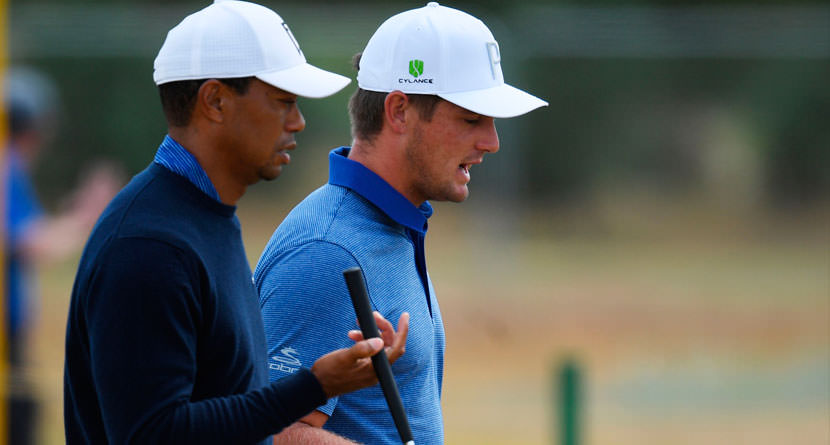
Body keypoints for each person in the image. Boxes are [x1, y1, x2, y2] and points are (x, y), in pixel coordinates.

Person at [63, 1, 408, 444]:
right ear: (215, 101)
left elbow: (223, 398)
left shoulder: (202, 218)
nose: (298, 122)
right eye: (283, 101)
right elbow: (154, 433)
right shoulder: (149, 245)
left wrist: (325, 380)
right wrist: (314, 387)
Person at [253, 2, 548, 443]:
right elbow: (270, 431)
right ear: (399, 111)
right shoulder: (328, 250)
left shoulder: (387, 226)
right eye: (471, 119)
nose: (492, 141)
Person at [4, 66, 121, 445]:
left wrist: (78, 215)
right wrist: (89, 215)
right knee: (20, 415)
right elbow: (35, 243)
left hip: (13, 323)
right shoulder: (7, 168)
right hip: (6, 324)